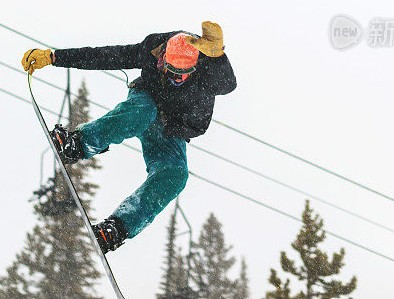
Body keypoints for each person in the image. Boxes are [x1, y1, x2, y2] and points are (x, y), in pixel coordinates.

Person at [21, 21, 236, 254]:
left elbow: (228, 85)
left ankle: (118, 227)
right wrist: (54, 57)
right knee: (142, 113)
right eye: (172, 71)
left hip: (170, 127)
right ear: (162, 58)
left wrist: (218, 57)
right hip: (147, 101)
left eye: (184, 74)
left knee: (175, 175)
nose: (177, 79)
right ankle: (80, 144)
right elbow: (106, 56)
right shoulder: (152, 48)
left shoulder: (208, 67)